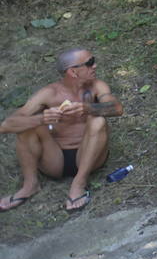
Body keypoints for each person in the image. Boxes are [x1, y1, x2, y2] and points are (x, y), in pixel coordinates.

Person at [0, 48, 124, 213]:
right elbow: (6, 125)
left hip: (90, 155)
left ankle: (79, 183)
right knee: (27, 126)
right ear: (73, 71)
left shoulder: (97, 86)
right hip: (55, 159)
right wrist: (41, 119)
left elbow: (117, 108)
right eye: (89, 63)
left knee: (98, 120)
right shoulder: (49, 93)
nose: (95, 66)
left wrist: (88, 108)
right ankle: (30, 185)